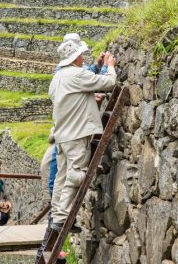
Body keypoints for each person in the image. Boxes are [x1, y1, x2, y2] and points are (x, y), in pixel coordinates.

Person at [48, 35, 116, 233]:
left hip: (62, 135)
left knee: (61, 177)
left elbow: (72, 99)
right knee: (76, 175)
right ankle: (62, 219)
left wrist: (87, 97)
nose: (83, 58)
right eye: (81, 55)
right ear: (76, 58)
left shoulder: (58, 78)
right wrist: (110, 65)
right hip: (76, 135)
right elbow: (108, 82)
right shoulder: (76, 75)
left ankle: (56, 215)